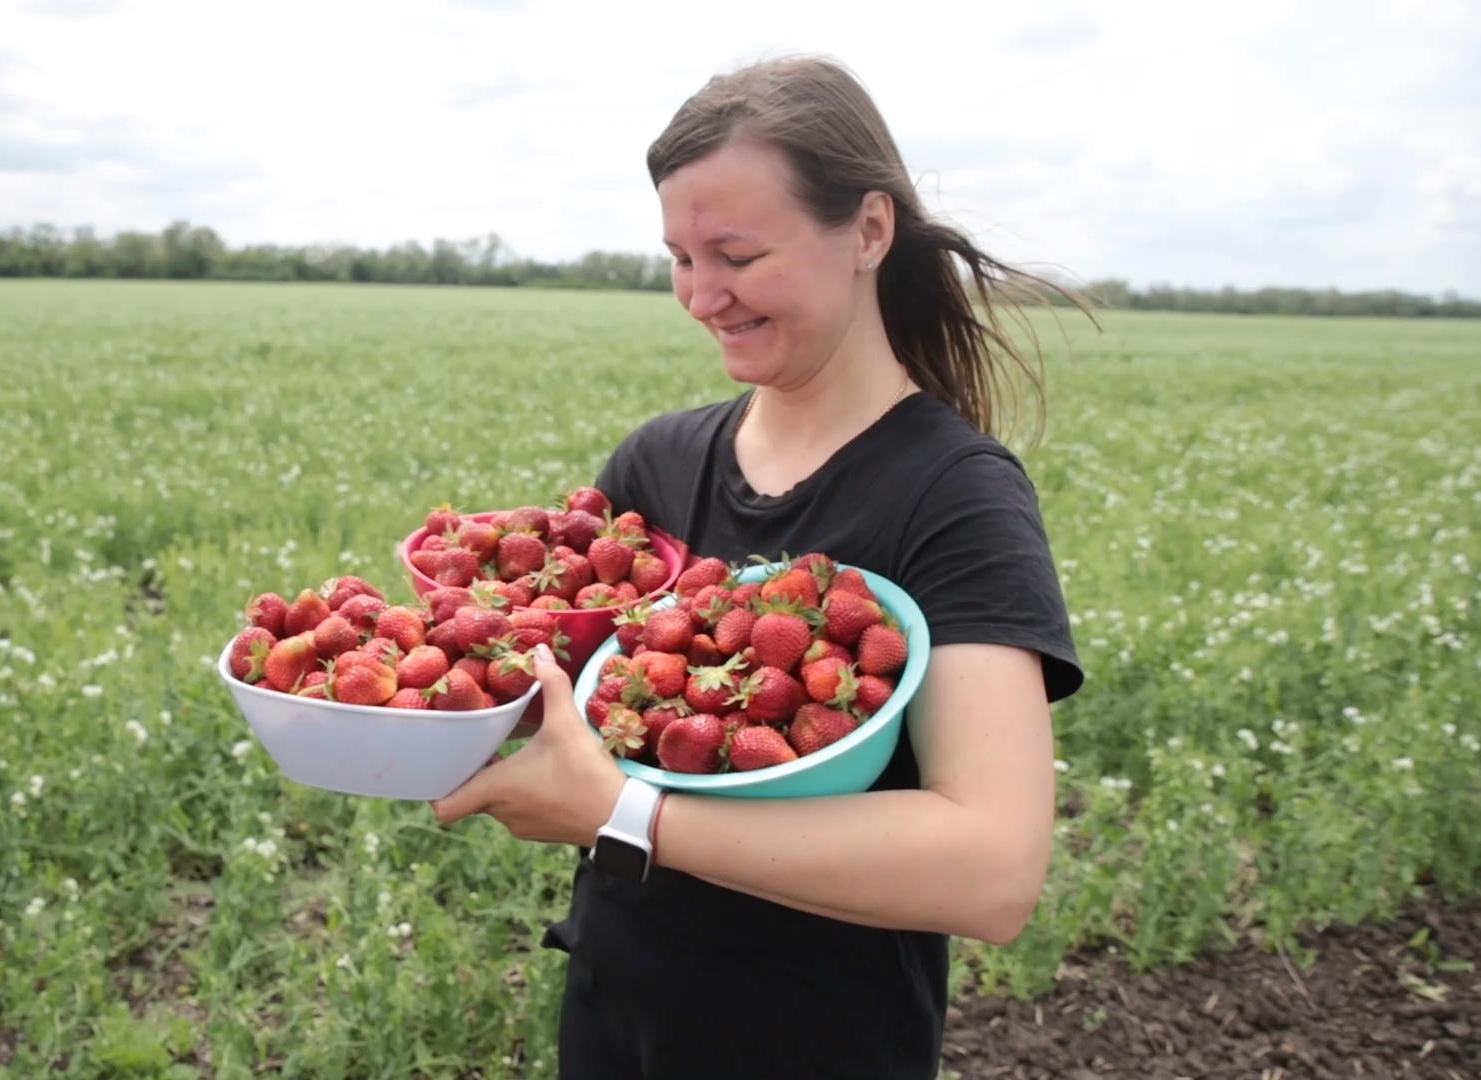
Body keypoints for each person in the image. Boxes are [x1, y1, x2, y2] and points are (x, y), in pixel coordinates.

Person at [432, 55, 1087, 1079]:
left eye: (734, 253)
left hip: (819, 1045)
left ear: (870, 231)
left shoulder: (953, 494)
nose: (701, 295)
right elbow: (578, 713)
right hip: (616, 1022)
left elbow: (992, 868)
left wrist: (626, 812)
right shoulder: (655, 466)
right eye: (680, 258)